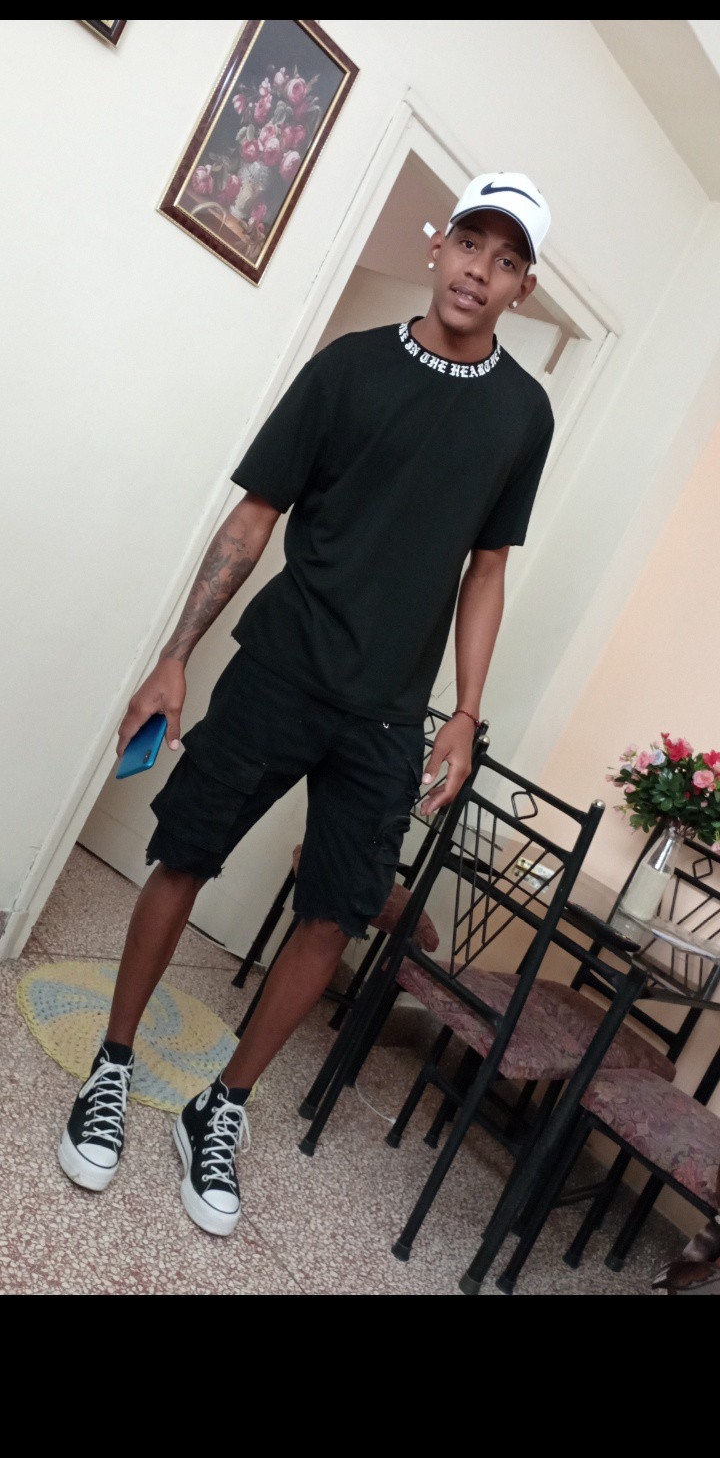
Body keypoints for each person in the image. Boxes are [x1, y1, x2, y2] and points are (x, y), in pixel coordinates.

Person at [59, 171, 555, 1237]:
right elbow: (256, 516)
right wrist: (174, 656)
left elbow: (489, 568)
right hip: (280, 668)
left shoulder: (525, 413)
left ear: (523, 286)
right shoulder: (348, 368)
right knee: (184, 854)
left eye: (507, 258)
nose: (480, 268)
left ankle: (222, 1106)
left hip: (388, 715)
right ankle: (112, 1064)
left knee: (336, 914)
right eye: (471, 242)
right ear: (439, 245)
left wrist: (465, 713)